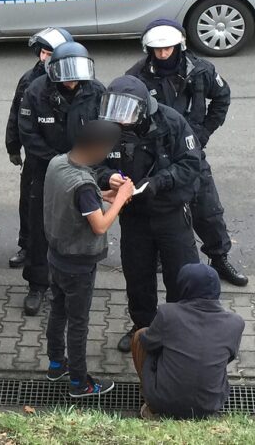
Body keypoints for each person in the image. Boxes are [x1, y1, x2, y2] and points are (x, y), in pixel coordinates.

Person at [126, 19, 247, 286]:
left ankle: (219, 258)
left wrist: (203, 133)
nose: (162, 54)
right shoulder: (137, 77)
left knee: (207, 209)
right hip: (155, 157)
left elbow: (221, 97)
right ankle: (159, 254)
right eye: (157, 49)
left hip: (191, 153)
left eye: (167, 48)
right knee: (155, 208)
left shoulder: (201, 70)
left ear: (178, 46)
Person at [97, 75, 201, 353]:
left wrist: (159, 182)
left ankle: (179, 329)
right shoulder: (106, 128)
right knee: (138, 277)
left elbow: (190, 164)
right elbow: (90, 163)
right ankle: (143, 327)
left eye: (127, 111)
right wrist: (107, 177)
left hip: (171, 214)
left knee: (181, 274)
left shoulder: (172, 122)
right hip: (134, 218)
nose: (120, 119)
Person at [44, 120, 134, 397]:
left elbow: (78, 199)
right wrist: (121, 198)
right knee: (78, 323)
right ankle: (79, 383)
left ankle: (55, 364)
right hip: (78, 264)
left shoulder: (58, 162)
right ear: (97, 148)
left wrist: (103, 195)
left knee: (57, 311)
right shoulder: (83, 184)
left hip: (55, 255)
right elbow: (100, 226)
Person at [17, 41, 105, 316]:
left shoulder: (96, 92)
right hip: (45, 172)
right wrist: (60, 163)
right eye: (65, 77)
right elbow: (28, 134)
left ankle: (76, 283)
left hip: (84, 172)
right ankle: (37, 285)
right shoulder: (36, 91)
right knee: (39, 230)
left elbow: (105, 130)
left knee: (81, 226)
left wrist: (86, 162)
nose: (71, 82)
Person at [131, 263, 244, 419]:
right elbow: (229, 357)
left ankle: (152, 406)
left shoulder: (168, 313)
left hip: (162, 401)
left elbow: (148, 343)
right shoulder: (235, 323)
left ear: (183, 287)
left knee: (139, 335)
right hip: (209, 404)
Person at [5, 27, 74, 269]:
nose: (45, 58)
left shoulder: (74, 77)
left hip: (70, 158)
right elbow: (17, 115)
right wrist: (13, 146)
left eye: (50, 53)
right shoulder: (29, 79)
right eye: (43, 52)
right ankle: (27, 245)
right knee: (29, 202)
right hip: (37, 158)